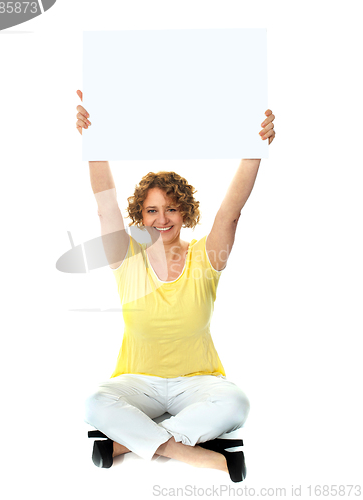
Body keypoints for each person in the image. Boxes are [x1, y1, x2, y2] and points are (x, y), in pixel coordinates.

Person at [75, 89, 275, 482]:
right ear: (140, 215)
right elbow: (105, 205)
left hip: (199, 382)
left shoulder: (207, 256)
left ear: (184, 210)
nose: (161, 219)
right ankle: (195, 453)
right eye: (151, 210)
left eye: (170, 208)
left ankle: (128, 444)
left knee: (236, 403)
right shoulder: (126, 256)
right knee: (95, 402)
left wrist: (258, 146)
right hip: (138, 382)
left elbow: (232, 212)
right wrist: (91, 140)